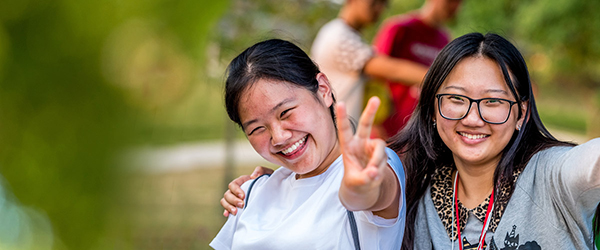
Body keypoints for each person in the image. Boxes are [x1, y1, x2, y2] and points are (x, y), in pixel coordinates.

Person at [221, 33, 600, 249]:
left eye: (494, 102)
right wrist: (259, 189)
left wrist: (357, 188)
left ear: (520, 113)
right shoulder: (422, 186)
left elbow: (371, 193)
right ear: (432, 109)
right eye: (455, 99)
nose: (473, 116)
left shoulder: (554, 176)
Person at [210, 39, 406, 249]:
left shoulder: (369, 168)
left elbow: (377, 193)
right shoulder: (251, 192)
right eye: (257, 129)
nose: (279, 137)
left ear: (323, 89)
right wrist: (256, 188)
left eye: (285, 112)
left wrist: (361, 190)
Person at [311, 0, 429, 121]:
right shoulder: (339, 37)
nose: (380, 8)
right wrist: (439, 78)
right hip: (336, 132)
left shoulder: (345, 34)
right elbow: (394, 70)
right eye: (373, 2)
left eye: (384, 4)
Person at [372, 0, 462, 139]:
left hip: (419, 136)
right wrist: (374, 124)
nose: (455, 7)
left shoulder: (445, 40)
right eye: (451, 1)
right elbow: (374, 74)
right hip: (387, 132)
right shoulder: (399, 28)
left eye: (459, 2)